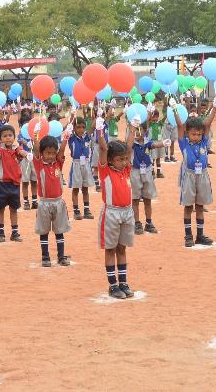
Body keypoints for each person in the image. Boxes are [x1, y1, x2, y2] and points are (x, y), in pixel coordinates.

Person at [95, 113, 136, 299]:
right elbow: (103, 148)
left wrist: (133, 127)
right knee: (110, 249)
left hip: (127, 213)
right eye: (119, 159)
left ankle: (123, 282)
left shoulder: (126, 169)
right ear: (110, 160)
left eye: (125, 159)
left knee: (122, 248)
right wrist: (100, 130)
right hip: (111, 214)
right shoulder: (105, 170)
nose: (124, 162)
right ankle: (113, 285)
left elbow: (129, 147)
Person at [172, 97, 216, 247]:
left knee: (199, 206)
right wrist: (174, 109)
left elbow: (207, 124)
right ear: (187, 133)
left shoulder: (204, 142)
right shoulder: (183, 143)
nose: (197, 137)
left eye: (199, 134)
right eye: (193, 134)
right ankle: (188, 236)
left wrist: (214, 108)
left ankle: (200, 235)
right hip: (189, 177)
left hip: (203, 175)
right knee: (188, 206)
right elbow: (180, 126)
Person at [32, 133, 71, 267]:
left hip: (58, 202)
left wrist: (65, 138)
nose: (51, 156)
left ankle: (61, 256)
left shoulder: (58, 163)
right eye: (47, 153)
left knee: (59, 231)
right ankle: (45, 257)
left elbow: (62, 151)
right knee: (44, 231)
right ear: (42, 153)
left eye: (53, 153)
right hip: (44, 203)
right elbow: (36, 149)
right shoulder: (39, 165)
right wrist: (36, 136)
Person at [0, 124, 28, 242]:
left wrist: (27, 155)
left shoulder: (17, 149)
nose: (8, 138)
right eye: (5, 136)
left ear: (14, 137)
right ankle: (1, 233)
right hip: (2, 184)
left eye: (10, 135)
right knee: (0, 209)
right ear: (0, 139)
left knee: (14, 209)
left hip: (14, 184)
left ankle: (14, 233)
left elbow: (22, 152)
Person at [130, 119, 157, 235]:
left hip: (147, 171)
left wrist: (164, 143)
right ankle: (137, 222)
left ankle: (149, 222)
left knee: (147, 198)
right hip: (135, 171)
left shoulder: (147, 142)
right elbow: (127, 146)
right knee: (135, 199)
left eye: (139, 129)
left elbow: (155, 144)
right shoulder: (132, 143)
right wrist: (132, 130)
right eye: (135, 129)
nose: (137, 132)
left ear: (145, 131)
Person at [68, 116, 94, 220]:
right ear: (74, 128)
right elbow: (69, 128)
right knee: (75, 188)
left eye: (83, 127)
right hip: (76, 164)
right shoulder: (71, 138)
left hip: (86, 164)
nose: (81, 129)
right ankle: (76, 211)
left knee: (85, 187)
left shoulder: (86, 137)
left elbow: (92, 127)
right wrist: (72, 117)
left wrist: (96, 117)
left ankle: (86, 210)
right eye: (78, 127)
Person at [17, 115, 38, 211]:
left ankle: (34, 201)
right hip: (25, 158)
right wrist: (26, 143)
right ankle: (26, 202)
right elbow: (20, 139)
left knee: (34, 180)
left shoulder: (34, 133)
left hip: (34, 157)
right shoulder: (21, 133)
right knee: (25, 181)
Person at [147, 108, 166, 178]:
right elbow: (147, 120)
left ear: (158, 117)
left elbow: (164, 118)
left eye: (156, 117)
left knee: (158, 157)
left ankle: (158, 172)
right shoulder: (150, 124)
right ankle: (152, 172)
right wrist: (150, 112)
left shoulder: (160, 123)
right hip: (153, 143)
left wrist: (169, 110)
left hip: (160, 142)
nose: (155, 118)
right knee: (152, 158)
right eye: (153, 117)